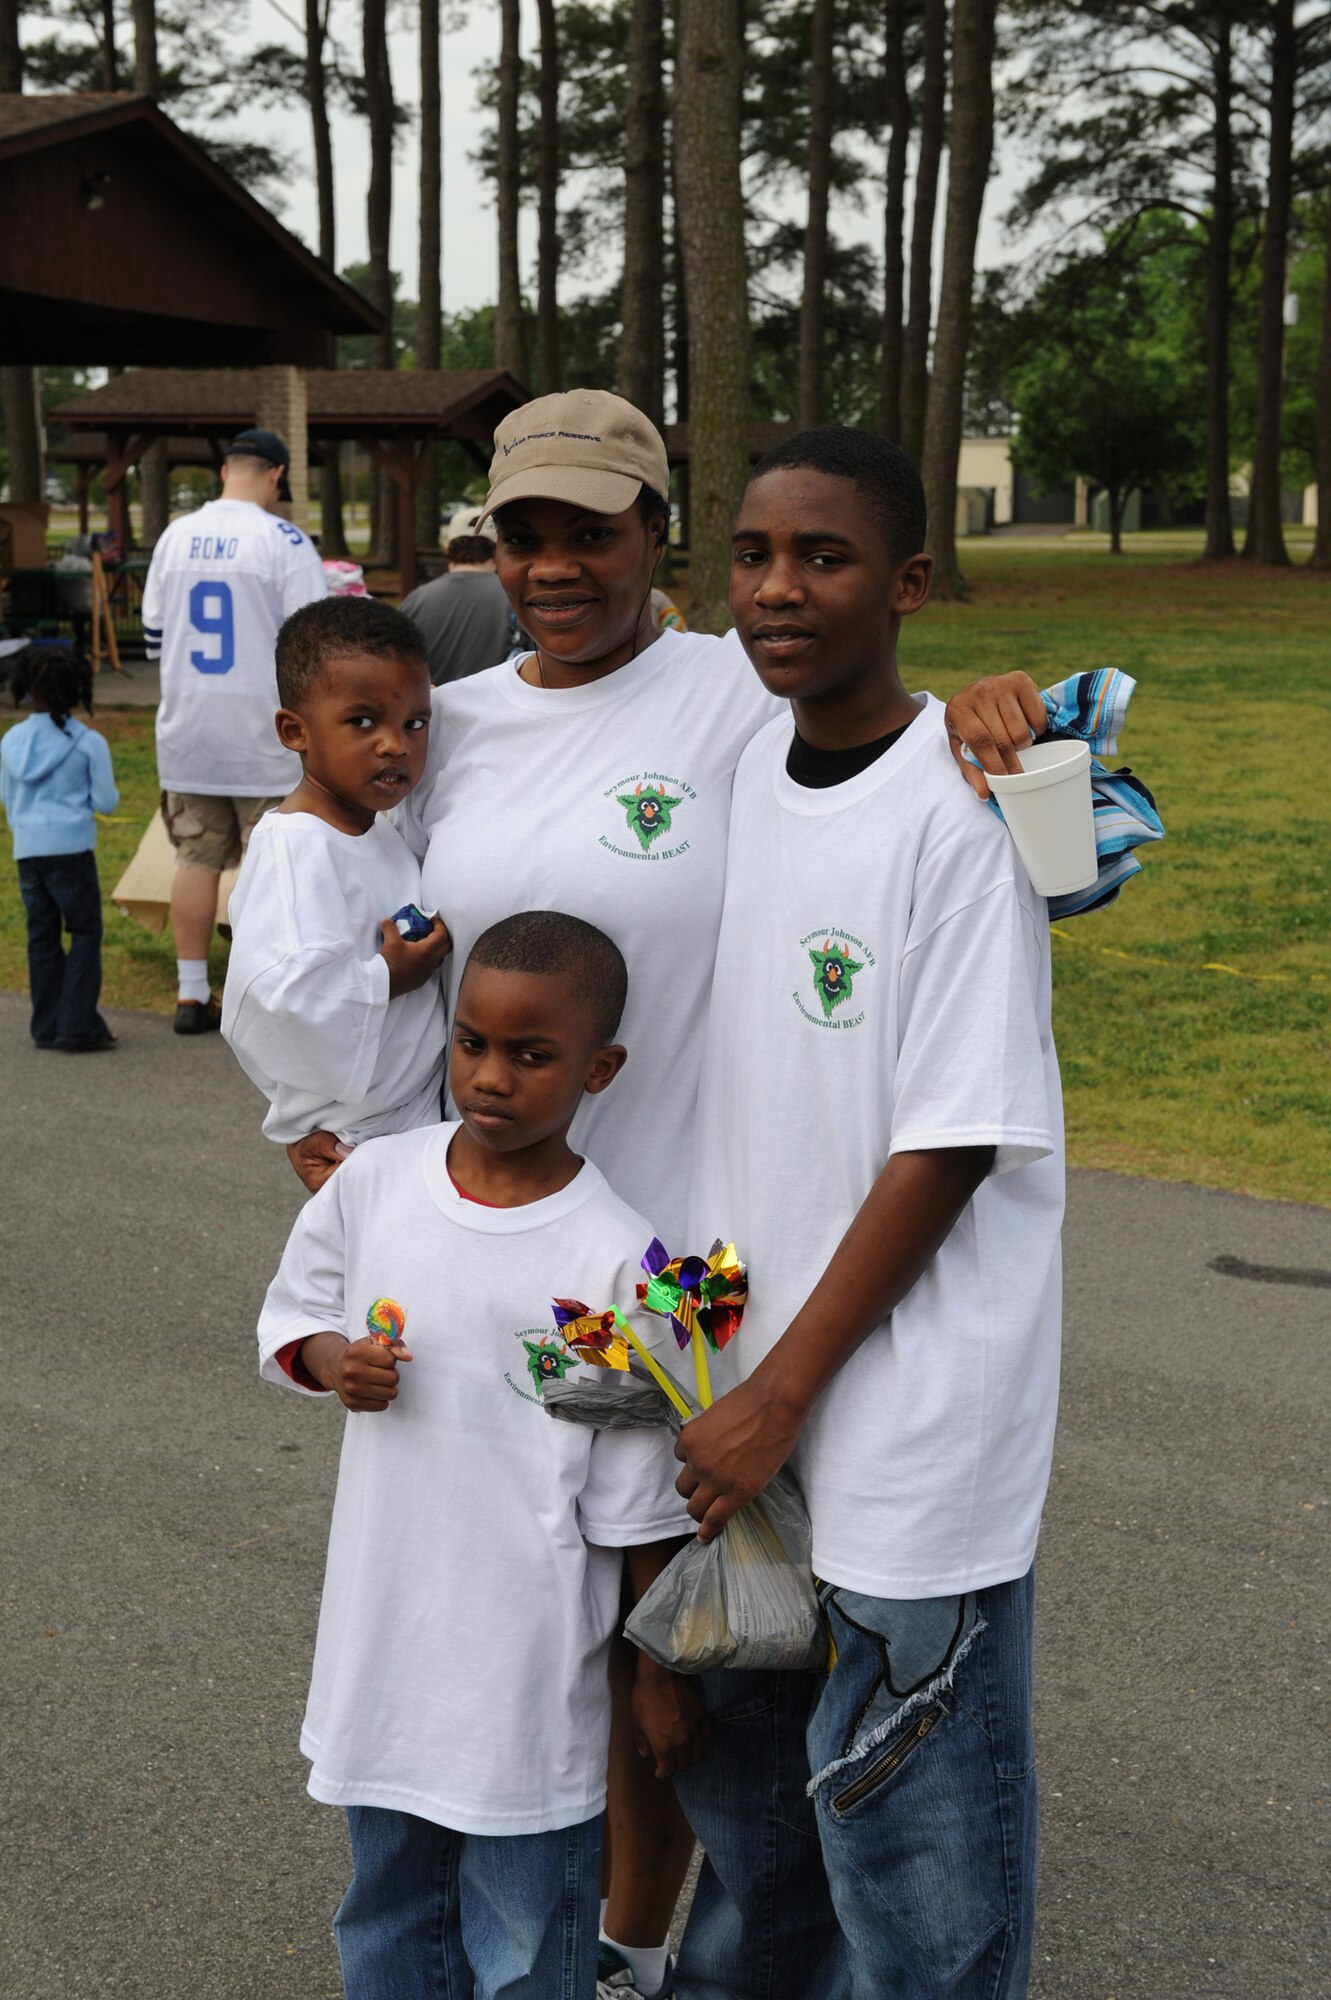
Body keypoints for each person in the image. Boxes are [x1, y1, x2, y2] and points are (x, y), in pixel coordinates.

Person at [281, 389, 1105, 2000]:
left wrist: (1016, 727)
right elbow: (349, 911)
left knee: (848, 1780)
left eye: (590, 528)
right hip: (634, 1300)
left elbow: (1025, 880)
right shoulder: (454, 724)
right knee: (670, 1699)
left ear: (652, 536)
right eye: (521, 532)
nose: (552, 561)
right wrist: (341, 1147)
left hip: (776, 1329)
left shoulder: (756, 700)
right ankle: (610, 1948)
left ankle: (611, 1950)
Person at [669, 427, 1064, 2000]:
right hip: (755, 1402)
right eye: (754, 555)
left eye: (822, 558)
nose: (776, 588)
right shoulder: (744, 766)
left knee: (916, 1860)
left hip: (895, 1416)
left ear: (907, 584)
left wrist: (777, 1393)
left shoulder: (964, 807)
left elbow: (951, 1142)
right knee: (763, 1836)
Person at [256, 910, 707, 2000]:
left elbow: (638, 1493)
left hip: (526, 1679)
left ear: (600, 1068)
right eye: (469, 1043)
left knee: (526, 1941)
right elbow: (291, 1312)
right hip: (386, 1652)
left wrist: (657, 1671)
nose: (489, 1075)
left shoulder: (615, 1260)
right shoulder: (376, 1183)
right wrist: (330, 1355)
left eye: (530, 1053)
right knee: (387, 1916)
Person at [221, 596, 451, 1150]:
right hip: (363, 1131)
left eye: (414, 722)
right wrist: (389, 977)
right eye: (362, 721)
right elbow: (278, 1002)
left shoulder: (383, 829)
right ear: (294, 731)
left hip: (417, 1111)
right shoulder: (296, 849)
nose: (395, 744)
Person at [140, 428, 327, 1035]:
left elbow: (152, 640)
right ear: (275, 476)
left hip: (189, 729)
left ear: (226, 470)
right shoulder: (285, 540)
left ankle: (192, 994)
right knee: (265, 862)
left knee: (195, 859)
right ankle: (260, 993)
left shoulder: (174, 536)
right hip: (264, 731)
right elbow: (314, 643)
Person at [1, 646, 119, 1053]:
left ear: (27, 690)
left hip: (28, 850)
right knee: (85, 931)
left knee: (42, 935)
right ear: (77, 690)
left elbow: (8, 799)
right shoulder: (88, 742)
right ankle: (77, 1024)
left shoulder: (11, 740)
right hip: (71, 850)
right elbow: (106, 802)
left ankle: (47, 1025)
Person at [398, 504, 515, 685]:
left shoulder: (417, 599)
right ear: (497, 551)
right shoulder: (515, 598)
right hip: (496, 706)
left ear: (447, 549)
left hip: (434, 708)